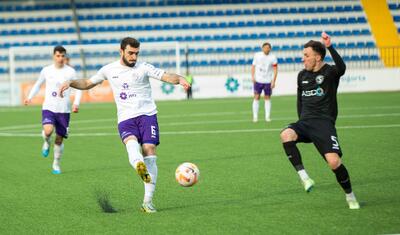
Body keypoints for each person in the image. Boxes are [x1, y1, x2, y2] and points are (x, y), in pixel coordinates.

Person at [58, 37, 191, 213]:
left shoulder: (144, 67)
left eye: (136, 53)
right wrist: (71, 82)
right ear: (121, 51)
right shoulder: (109, 69)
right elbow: (88, 83)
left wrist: (180, 78)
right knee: (131, 144)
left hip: (147, 115)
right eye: (130, 53)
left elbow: (166, 76)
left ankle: (147, 202)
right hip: (126, 118)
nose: (134, 57)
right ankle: (138, 166)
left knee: (150, 149)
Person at [280, 32, 360, 209]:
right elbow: (300, 100)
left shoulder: (330, 72)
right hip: (305, 122)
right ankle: (305, 178)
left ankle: (350, 195)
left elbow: (342, 68)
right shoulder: (302, 75)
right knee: (286, 134)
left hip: (324, 124)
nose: (303, 59)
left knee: (334, 162)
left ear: (317, 57)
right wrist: (301, 121)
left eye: (306, 55)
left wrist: (330, 46)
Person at [24, 45, 82, 174]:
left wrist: (76, 103)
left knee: (59, 139)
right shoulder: (46, 70)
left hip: (64, 110)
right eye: (58, 56)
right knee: (48, 130)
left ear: (65, 57)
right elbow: (38, 84)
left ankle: (56, 163)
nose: (60, 58)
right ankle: (46, 142)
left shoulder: (71, 72)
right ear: (53, 56)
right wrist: (29, 97)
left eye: (62, 56)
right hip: (49, 107)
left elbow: (78, 88)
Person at [251, 42, 278, 122]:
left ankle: (267, 117)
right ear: (262, 48)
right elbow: (253, 66)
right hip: (258, 80)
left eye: (268, 48)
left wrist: (273, 81)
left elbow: (275, 69)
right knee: (256, 97)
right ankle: (255, 117)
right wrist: (253, 77)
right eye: (265, 47)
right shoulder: (257, 55)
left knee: (267, 98)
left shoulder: (273, 57)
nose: (267, 49)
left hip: (268, 80)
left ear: (270, 49)